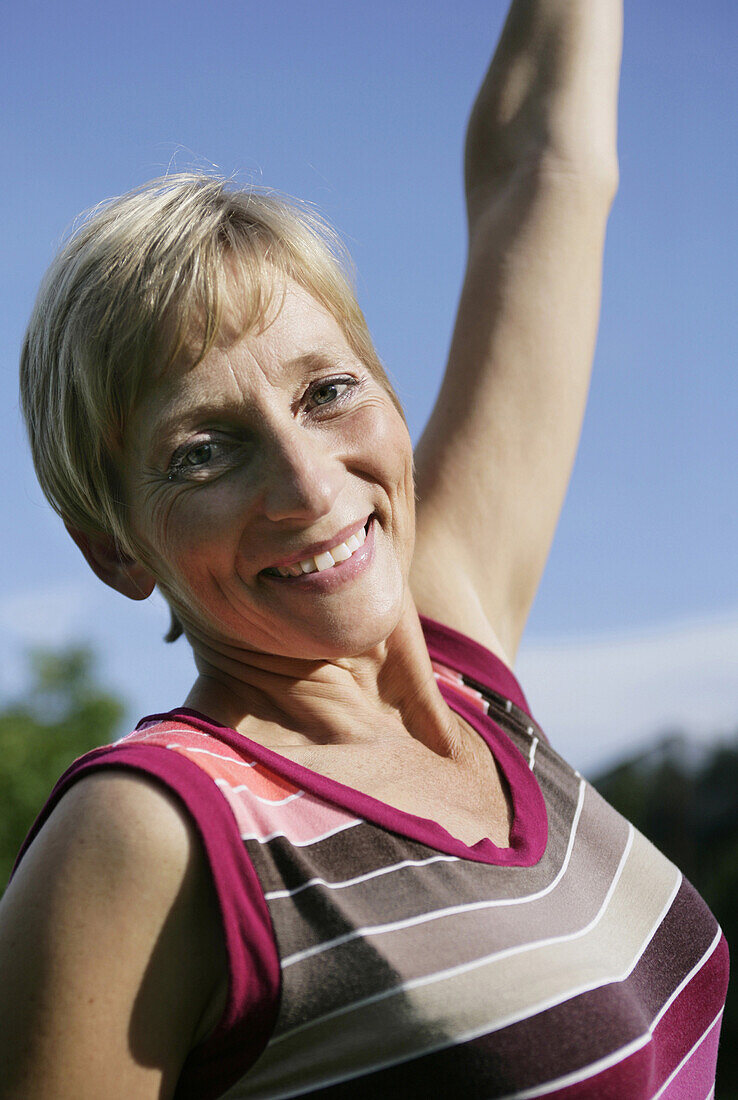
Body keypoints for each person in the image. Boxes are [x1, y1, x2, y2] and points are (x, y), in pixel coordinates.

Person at [0, 1, 729, 1097]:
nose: (308, 483)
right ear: (112, 548)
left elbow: (546, 168)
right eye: (204, 452)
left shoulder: (463, 664)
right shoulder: (150, 832)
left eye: (328, 391)